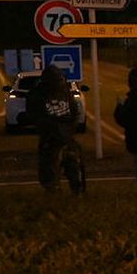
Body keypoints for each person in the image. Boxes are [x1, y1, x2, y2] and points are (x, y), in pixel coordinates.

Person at [27, 64, 85, 194]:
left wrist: (68, 130)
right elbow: (34, 115)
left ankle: (75, 192)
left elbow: (75, 112)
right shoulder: (39, 94)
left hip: (64, 137)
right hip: (51, 137)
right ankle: (56, 192)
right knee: (50, 169)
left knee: (71, 167)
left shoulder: (64, 93)